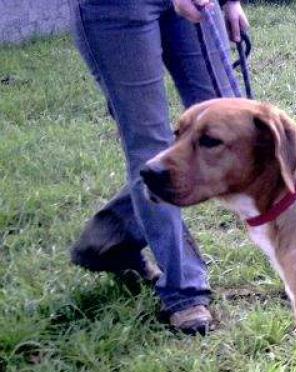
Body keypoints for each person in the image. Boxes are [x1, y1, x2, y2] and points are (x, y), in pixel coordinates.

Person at [69, 0, 249, 334]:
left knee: (237, 128)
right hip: (116, 11)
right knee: (149, 146)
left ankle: (111, 235)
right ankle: (184, 292)